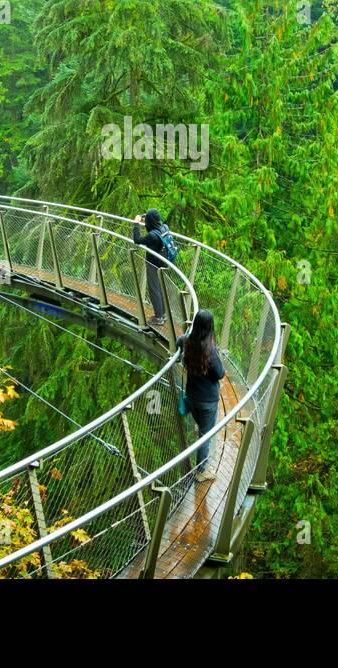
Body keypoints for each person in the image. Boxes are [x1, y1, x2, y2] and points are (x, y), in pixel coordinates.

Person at [178, 309, 225, 483]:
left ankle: (201, 462)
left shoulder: (188, 342)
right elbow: (220, 373)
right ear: (210, 327)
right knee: (205, 436)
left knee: (202, 430)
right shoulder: (210, 351)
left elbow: (178, 340)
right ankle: (201, 471)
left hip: (192, 397)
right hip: (207, 401)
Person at [131, 207, 170, 326]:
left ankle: (159, 317)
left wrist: (136, 224)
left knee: (154, 288)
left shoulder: (152, 237)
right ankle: (163, 314)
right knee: (159, 287)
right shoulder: (164, 227)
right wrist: (146, 218)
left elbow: (137, 240)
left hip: (153, 263)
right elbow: (153, 228)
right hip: (163, 261)